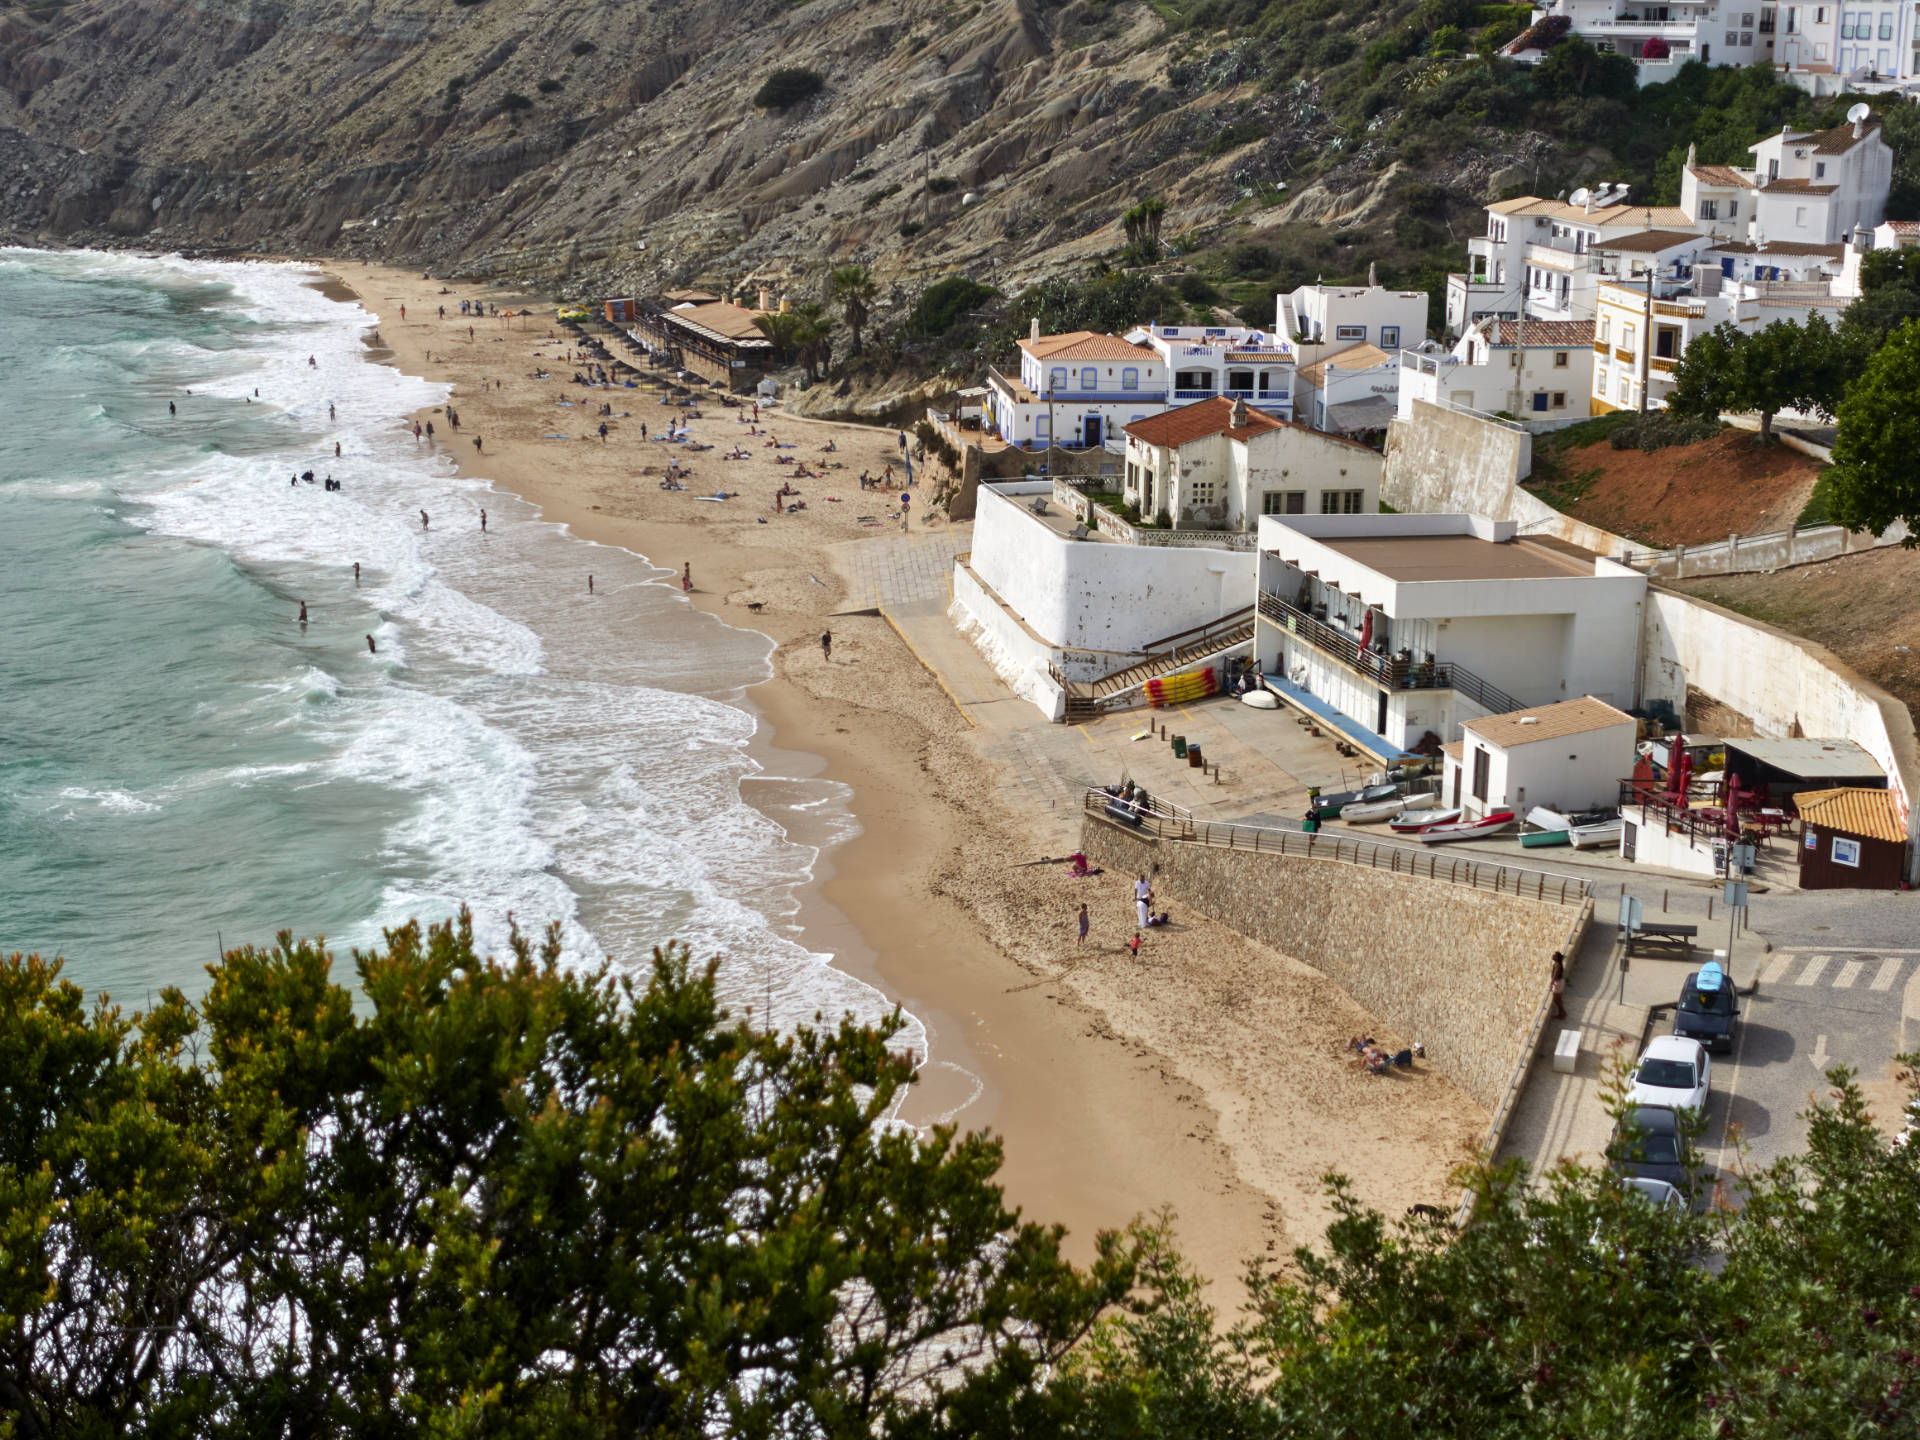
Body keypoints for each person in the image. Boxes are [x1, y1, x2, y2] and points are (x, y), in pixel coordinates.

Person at [1550, 951, 1567, 1020]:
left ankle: (1562, 1012)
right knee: (1559, 999)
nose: (1553, 956)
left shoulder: (1558, 965)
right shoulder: (1558, 964)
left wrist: (1551, 983)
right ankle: (1562, 1013)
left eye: (1554, 955)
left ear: (1557, 958)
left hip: (1558, 983)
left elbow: (1555, 975)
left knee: (1556, 999)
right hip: (1560, 982)